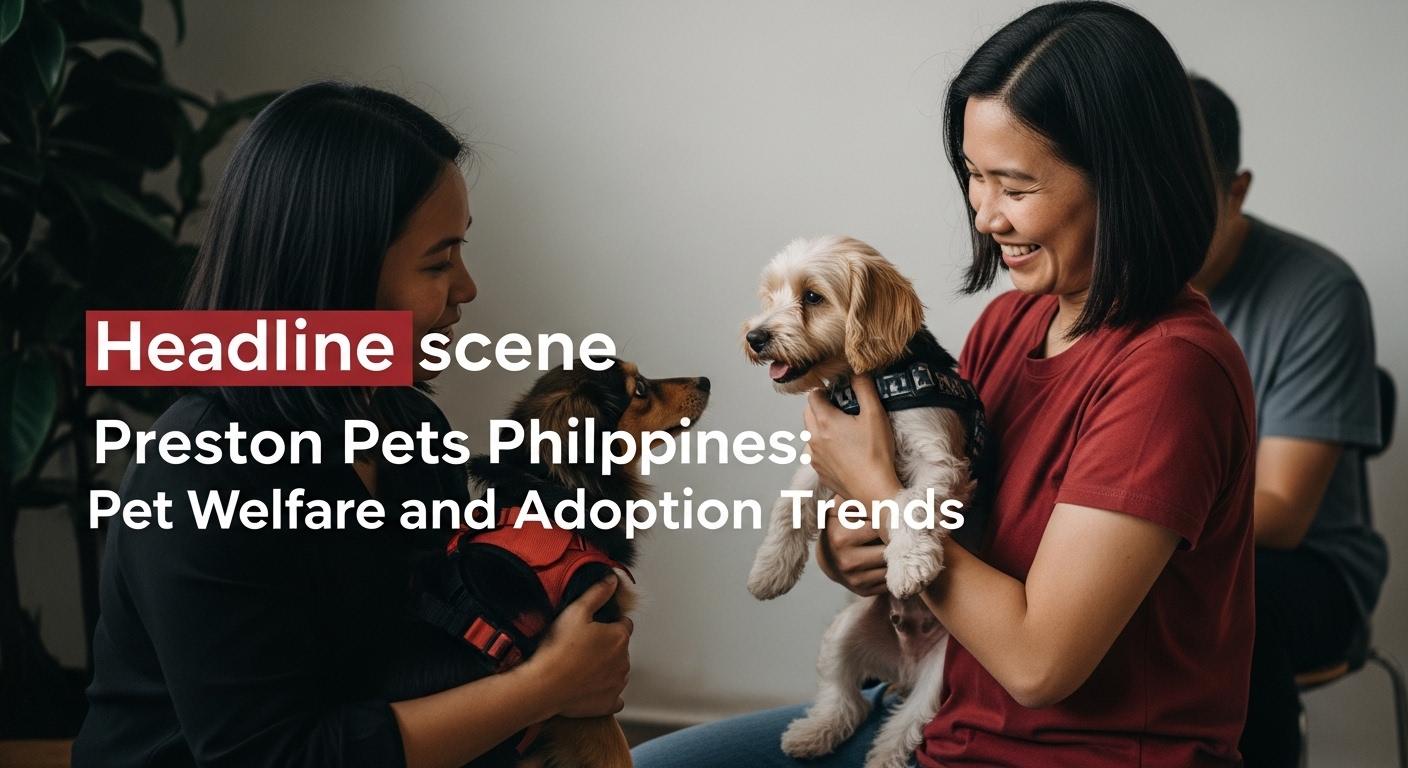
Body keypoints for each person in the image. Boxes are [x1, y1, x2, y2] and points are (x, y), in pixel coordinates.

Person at [634, 3, 1255, 766]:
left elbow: (1038, 664)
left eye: (1015, 185)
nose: (985, 213)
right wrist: (843, 543)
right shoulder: (1011, 325)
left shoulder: (1169, 375)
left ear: (1125, 180)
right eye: (972, 175)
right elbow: (935, 525)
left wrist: (873, 489)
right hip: (938, 711)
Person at [72, 82, 632, 768]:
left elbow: (434, 668)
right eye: (438, 260)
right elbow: (271, 757)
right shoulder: (197, 470)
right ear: (335, 275)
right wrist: (545, 686)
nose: (467, 288)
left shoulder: (408, 429)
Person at [1188, 75, 1386, 768]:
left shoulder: (1317, 293)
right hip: (1159, 544)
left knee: (1213, 602)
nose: (1158, 233)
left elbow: (1280, 511)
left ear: (1236, 192)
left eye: (1187, 206)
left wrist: (1119, 522)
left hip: (1305, 569)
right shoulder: (1096, 290)